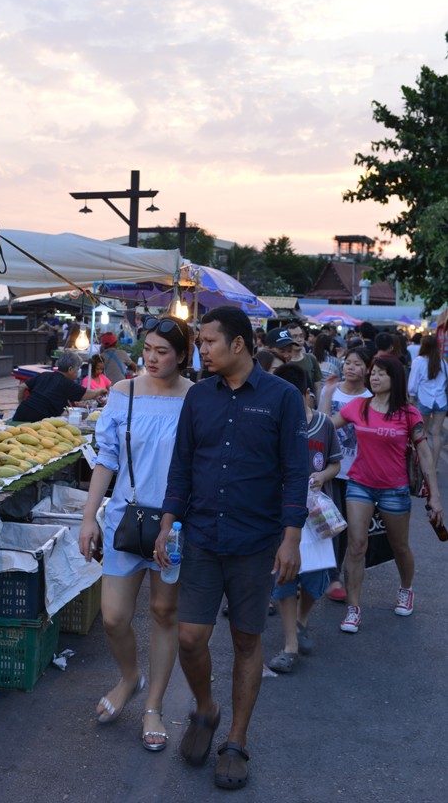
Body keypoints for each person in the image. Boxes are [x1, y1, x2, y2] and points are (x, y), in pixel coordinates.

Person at [155, 306, 309, 791]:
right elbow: (181, 466)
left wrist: (291, 539)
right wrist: (166, 524)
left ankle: (237, 741)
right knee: (189, 638)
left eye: (207, 342)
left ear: (237, 344)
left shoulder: (282, 398)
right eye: (200, 343)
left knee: (246, 640)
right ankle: (206, 708)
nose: (200, 350)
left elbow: (295, 473)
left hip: (256, 542)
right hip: (201, 536)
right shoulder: (199, 397)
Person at [78, 316, 192, 752]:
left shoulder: (197, 399)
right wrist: (89, 518)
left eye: (163, 351)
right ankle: (130, 678)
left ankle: (154, 706)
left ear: (183, 355)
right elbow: (106, 458)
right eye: (147, 349)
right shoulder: (122, 394)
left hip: (176, 524)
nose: (152, 358)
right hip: (125, 519)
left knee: (165, 613)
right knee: (112, 616)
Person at [332, 354, 444, 634]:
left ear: (395, 379)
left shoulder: (408, 413)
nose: (375, 377)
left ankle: (406, 589)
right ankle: (354, 609)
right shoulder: (359, 406)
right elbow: (324, 427)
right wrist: (323, 395)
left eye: (381, 373)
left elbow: (424, 453)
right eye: (373, 372)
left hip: (395, 489)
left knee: (399, 546)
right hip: (360, 484)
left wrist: (436, 495)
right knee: (356, 546)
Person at [268, 364, 342, 674]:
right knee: (284, 576)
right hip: (279, 513)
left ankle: (301, 621)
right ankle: (290, 644)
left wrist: (321, 475)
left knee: (316, 580)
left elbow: (335, 464)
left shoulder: (324, 424)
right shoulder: (271, 424)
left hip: (316, 518)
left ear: (306, 395)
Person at [318, 347, 372, 601]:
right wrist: (327, 392)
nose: (351, 367)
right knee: (332, 524)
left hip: (358, 472)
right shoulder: (333, 390)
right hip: (332, 469)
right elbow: (323, 421)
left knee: (351, 528)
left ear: (368, 369)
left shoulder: (371, 398)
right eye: (347, 362)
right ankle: (333, 576)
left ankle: (343, 573)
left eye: (357, 363)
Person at [12, 350, 106, 422]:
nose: (78, 373)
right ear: (70, 369)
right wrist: (101, 389)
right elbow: (90, 394)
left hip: (20, 414)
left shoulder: (45, 375)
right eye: (77, 369)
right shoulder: (67, 384)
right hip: (37, 422)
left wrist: (21, 403)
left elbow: (22, 387)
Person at [407, 334, 448, 474]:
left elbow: (413, 383)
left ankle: (423, 464)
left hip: (424, 400)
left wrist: (411, 399)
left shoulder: (419, 361)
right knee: (436, 433)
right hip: (441, 400)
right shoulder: (442, 362)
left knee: (422, 434)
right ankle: (434, 466)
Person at [287, 321, 322, 403]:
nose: (299, 339)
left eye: (301, 335)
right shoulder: (283, 361)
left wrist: (318, 407)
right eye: (294, 336)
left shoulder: (311, 359)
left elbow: (317, 387)